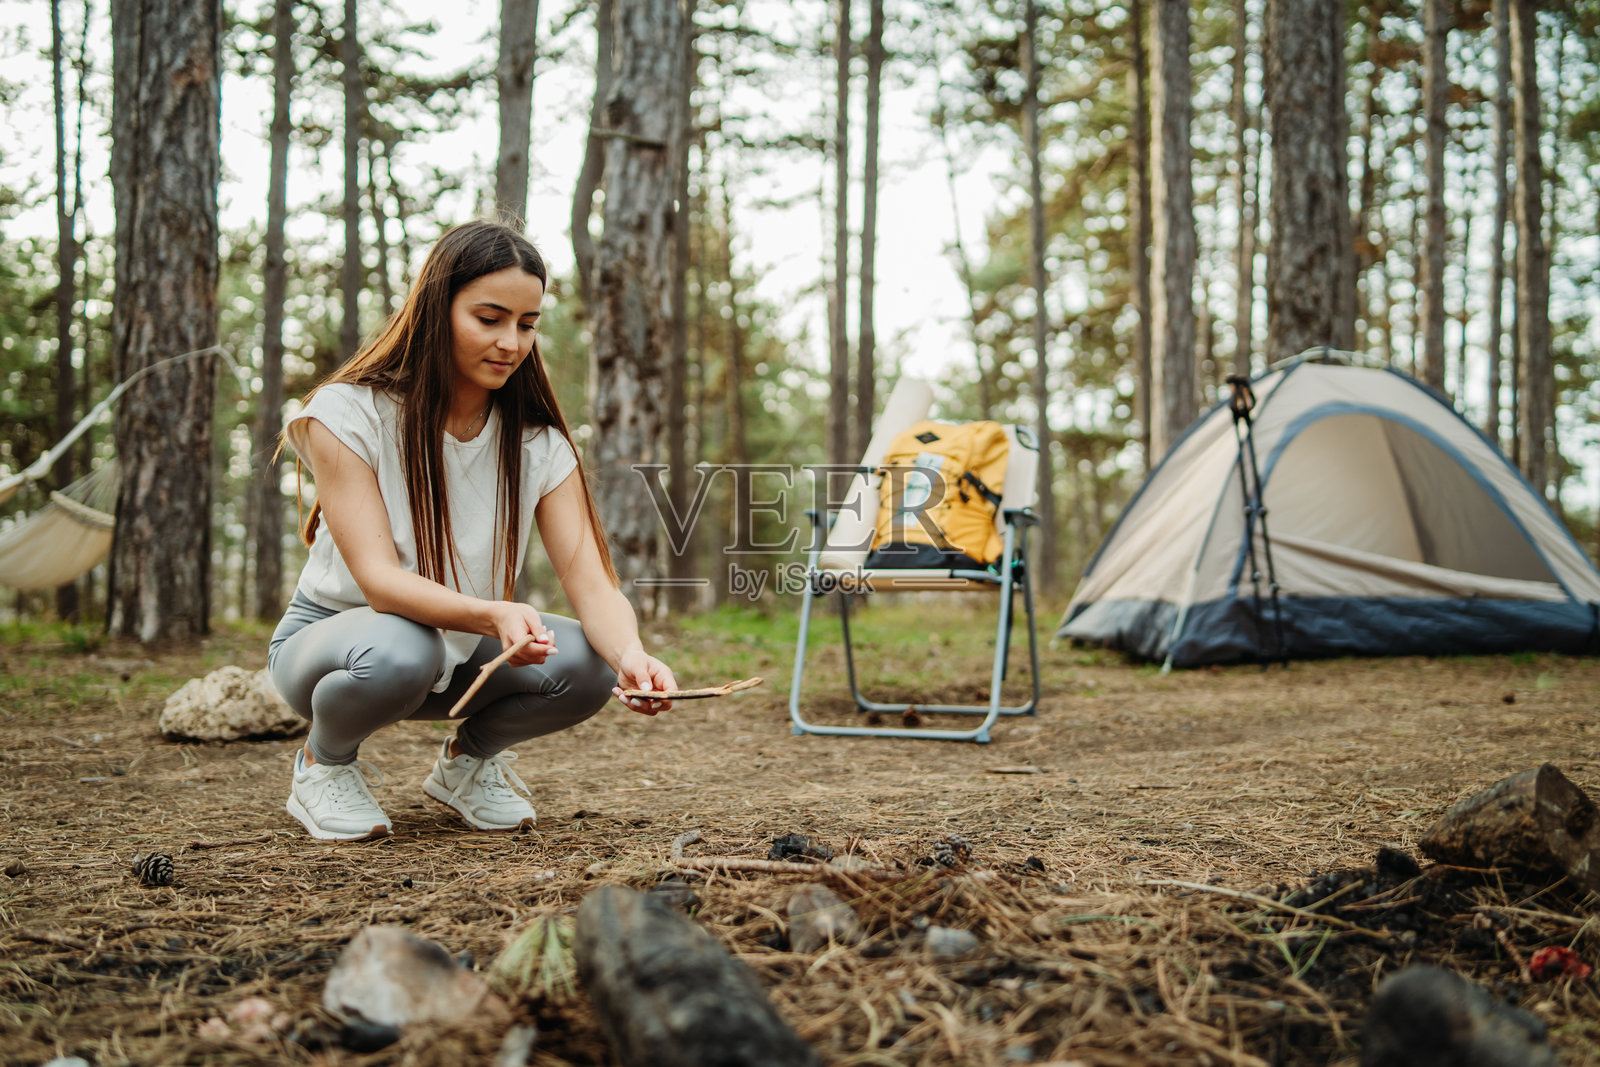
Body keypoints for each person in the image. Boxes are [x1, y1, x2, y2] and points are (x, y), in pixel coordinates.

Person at [268, 219, 677, 842]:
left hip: (457, 658)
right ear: (438, 308)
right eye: (489, 318)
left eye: (527, 324)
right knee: (404, 646)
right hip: (334, 650)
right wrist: (494, 615)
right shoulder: (347, 413)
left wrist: (631, 657)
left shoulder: (538, 446)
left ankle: (467, 763)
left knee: (589, 663)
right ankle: (324, 764)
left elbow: (592, 586)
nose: (511, 342)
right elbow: (379, 583)